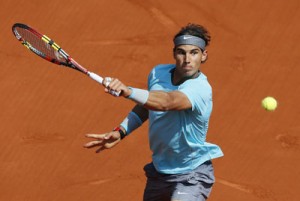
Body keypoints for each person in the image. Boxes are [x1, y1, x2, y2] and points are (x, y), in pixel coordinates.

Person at [84, 23, 224, 201]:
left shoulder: (200, 88)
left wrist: (127, 91)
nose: (187, 59)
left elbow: (167, 102)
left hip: (191, 174)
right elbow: (147, 105)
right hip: (160, 172)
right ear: (174, 53)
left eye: (194, 52)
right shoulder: (158, 73)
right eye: (181, 52)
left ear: (204, 56)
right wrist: (122, 131)